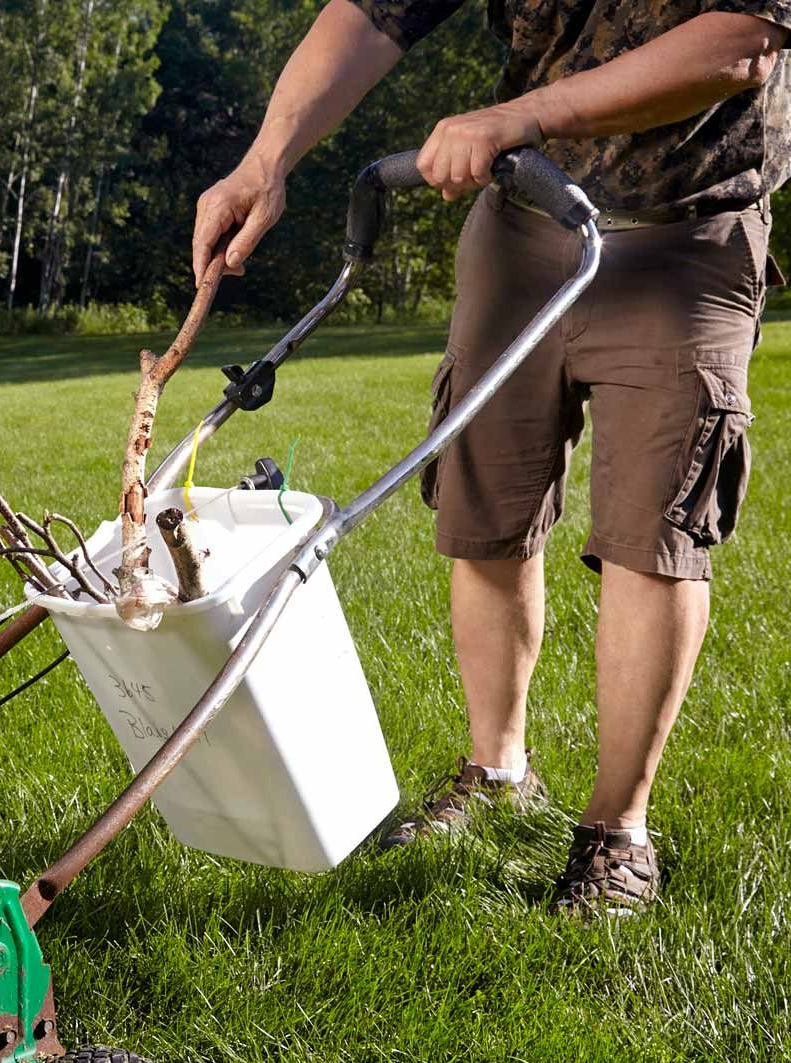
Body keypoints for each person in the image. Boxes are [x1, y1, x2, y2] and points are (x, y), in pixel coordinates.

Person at [191, 0, 789, 915]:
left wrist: (520, 116)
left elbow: (741, 43)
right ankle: (498, 771)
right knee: (486, 512)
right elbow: (373, 17)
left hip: (686, 237)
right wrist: (264, 160)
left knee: (653, 534)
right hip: (522, 228)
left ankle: (616, 831)